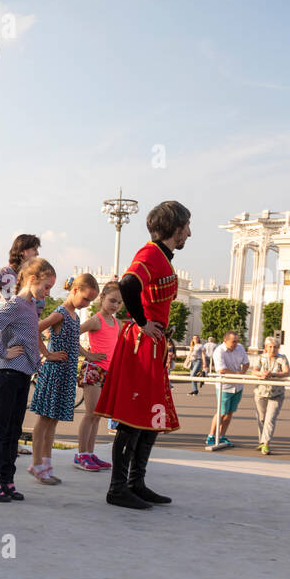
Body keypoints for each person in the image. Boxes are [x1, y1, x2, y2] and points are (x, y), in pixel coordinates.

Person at [95, 201, 189, 509]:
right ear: (174, 228)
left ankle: (135, 482)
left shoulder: (161, 257)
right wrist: (142, 322)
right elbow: (127, 284)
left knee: (150, 417)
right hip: (142, 345)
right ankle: (118, 487)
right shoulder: (150, 254)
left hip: (152, 345)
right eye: (186, 226)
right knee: (134, 418)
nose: (189, 232)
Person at [0, 257, 52, 500]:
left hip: (22, 374)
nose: (48, 293)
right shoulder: (16, 303)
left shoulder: (31, 307)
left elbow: (29, 339)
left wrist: (37, 362)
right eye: (46, 287)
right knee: (0, 428)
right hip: (8, 373)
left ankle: (7, 479)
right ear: (32, 279)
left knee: (14, 430)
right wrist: (3, 352)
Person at [28, 272, 104, 484]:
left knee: (52, 421)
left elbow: (72, 340)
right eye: (86, 298)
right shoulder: (60, 313)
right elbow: (35, 329)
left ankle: (46, 465)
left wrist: (88, 355)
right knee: (44, 420)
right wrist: (48, 354)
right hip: (54, 372)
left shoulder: (75, 316)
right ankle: (37, 464)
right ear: (75, 290)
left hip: (66, 373)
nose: (87, 303)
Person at [73, 281, 122, 472]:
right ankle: (81, 455)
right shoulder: (96, 320)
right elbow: (71, 335)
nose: (115, 306)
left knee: (98, 416)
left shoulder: (117, 323)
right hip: (93, 369)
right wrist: (88, 354)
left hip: (108, 372)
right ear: (101, 298)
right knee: (90, 414)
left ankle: (90, 453)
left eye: (119, 303)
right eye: (112, 301)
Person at [206, 331, 249, 449]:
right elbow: (222, 370)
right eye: (233, 341)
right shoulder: (219, 351)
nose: (236, 344)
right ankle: (211, 435)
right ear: (225, 341)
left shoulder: (240, 348)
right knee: (221, 412)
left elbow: (246, 363)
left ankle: (222, 436)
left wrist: (242, 373)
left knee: (230, 413)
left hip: (238, 386)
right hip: (224, 386)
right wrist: (237, 374)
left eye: (237, 341)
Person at [252, 336, 290, 455]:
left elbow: (286, 372)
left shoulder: (282, 358)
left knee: (270, 418)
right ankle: (262, 441)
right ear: (266, 348)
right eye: (270, 347)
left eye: (275, 347)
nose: (273, 349)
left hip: (277, 393)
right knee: (261, 418)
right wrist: (261, 374)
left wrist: (273, 374)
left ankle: (266, 443)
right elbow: (254, 370)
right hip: (261, 392)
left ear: (278, 348)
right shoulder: (261, 358)